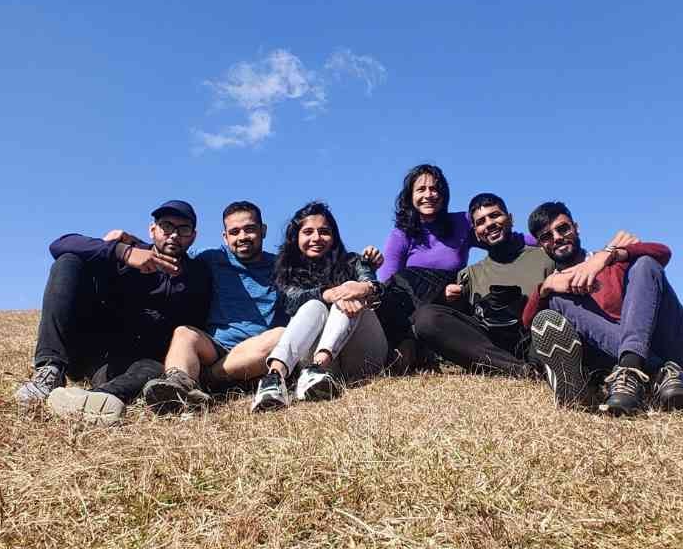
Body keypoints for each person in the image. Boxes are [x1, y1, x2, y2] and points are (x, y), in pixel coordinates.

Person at [14, 200, 212, 426]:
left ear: (193, 236)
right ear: (152, 229)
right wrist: (123, 251)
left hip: (138, 363)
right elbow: (60, 244)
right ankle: (49, 371)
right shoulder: (124, 256)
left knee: (155, 370)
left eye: (183, 229)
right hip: (92, 349)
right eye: (166, 226)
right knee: (67, 261)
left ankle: (94, 398)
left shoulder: (198, 275)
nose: (174, 235)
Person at [521, 201, 683, 416]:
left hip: (674, 355)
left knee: (645, 263)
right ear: (541, 245)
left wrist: (606, 255)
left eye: (563, 228)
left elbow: (662, 252)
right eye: (546, 236)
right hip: (625, 378)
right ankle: (647, 372)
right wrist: (546, 287)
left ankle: (634, 366)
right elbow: (529, 321)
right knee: (556, 303)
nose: (557, 237)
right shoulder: (557, 285)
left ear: (576, 227)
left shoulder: (613, 262)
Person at [410, 193, 586, 400]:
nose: (489, 224)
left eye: (495, 216)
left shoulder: (545, 256)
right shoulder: (469, 274)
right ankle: (521, 371)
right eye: (481, 222)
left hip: (532, 337)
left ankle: (543, 367)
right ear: (476, 233)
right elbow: (460, 328)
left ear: (510, 219)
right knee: (426, 318)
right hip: (491, 344)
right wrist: (450, 299)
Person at [375, 164, 535, 370]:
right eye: (421, 189)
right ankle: (412, 349)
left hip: (453, 303)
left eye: (435, 189)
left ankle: (515, 366)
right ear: (410, 196)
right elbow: (389, 282)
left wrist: (549, 241)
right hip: (412, 309)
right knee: (410, 314)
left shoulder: (461, 223)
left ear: (444, 194)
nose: (429, 195)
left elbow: (508, 237)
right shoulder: (401, 235)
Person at [140, 201, 284, 414]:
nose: (242, 236)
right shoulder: (211, 259)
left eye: (250, 229)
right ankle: (179, 387)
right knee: (184, 333)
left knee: (282, 335)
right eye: (234, 232)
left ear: (263, 231)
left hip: (257, 351)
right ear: (225, 237)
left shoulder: (281, 266)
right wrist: (126, 243)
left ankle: (208, 380)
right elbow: (170, 251)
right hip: (216, 347)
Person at [250, 202, 388, 412]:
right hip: (312, 359)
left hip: (362, 354)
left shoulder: (353, 261)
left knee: (348, 297)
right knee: (313, 304)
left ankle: (318, 367)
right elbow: (292, 300)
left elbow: (374, 286)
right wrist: (328, 294)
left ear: (334, 237)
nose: (316, 238)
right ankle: (274, 379)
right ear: (296, 237)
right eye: (308, 232)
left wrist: (363, 287)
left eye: (324, 232)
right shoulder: (286, 271)